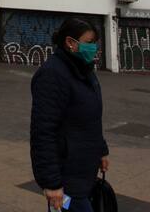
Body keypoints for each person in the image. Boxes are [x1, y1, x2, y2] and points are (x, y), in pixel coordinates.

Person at [30, 18, 109, 212]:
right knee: (68, 207)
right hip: (65, 181)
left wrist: (100, 150)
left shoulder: (83, 69)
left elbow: (89, 119)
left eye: (95, 42)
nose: (94, 48)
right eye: (89, 42)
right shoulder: (52, 75)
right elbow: (43, 132)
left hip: (83, 172)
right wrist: (52, 184)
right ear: (70, 43)